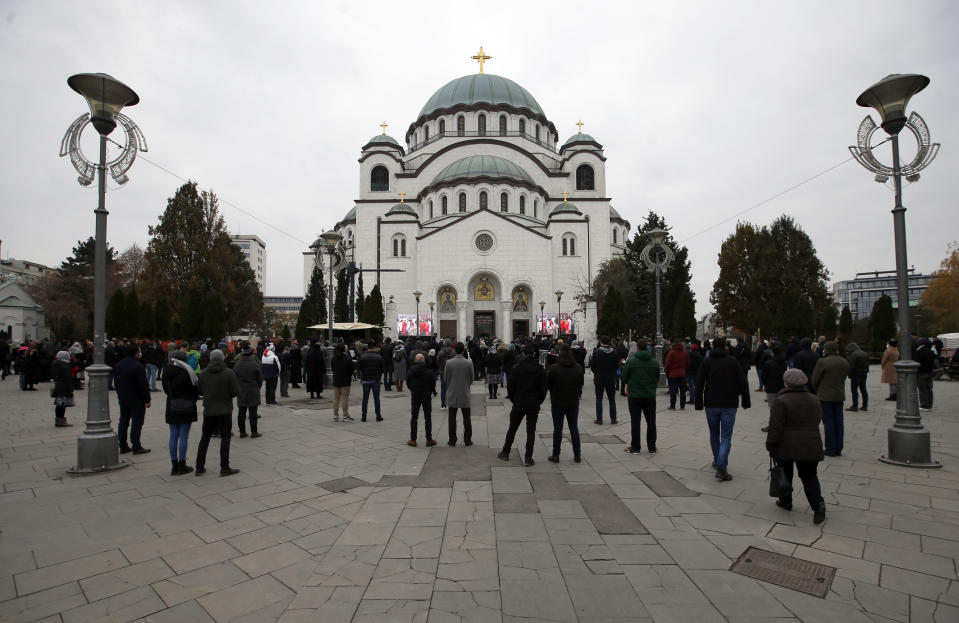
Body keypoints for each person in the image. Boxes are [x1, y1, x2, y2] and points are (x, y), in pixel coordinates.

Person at [766, 368, 827, 524]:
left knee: (786, 472)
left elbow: (776, 426)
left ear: (786, 382)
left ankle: (786, 500)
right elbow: (818, 419)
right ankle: (817, 504)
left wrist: (771, 444)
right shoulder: (814, 399)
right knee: (809, 476)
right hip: (811, 443)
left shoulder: (781, 400)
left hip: (787, 443)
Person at [695, 338, 751, 481]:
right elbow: (743, 381)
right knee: (726, 436)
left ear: (713, 346)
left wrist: (698, 402)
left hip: (711, 402)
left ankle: (718, 460)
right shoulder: (732, 361)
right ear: (725, 347)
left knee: (714, 434)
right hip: (729, 403)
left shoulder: (707, 361)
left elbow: (699, 382)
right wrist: (745, 400)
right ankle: (721, 466)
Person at [499, 344, 547, 465]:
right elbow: (543, 390)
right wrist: (538, 401)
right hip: (533, 403)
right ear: (534, 354)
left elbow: (510, 387)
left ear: (523, 354)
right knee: (531, 431)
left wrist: (514, 399)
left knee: (512, 428)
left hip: (519, 402)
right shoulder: (540, 369)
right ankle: (528, 457)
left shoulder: (516, 368)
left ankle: (505, 452)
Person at [195, 349, 240, 476]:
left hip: (209, 409)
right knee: (225, 438)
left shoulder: (203, 373)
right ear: (222, 358)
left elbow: (200, 391)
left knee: (205, 438)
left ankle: (199, 466)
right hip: (225, 409)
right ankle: (224, 467)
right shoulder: (228, 373)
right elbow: (235, 391)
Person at [546, 343, 584, 463]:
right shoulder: (578, 367)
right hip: (573, 401)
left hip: (557, 401)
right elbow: (580, 384)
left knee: (558, 429)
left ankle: (556, 454)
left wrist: (553, 391)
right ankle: (577, 455)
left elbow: (548, 384)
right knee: (574, 428)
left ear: (560, 353)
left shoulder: (554, 368)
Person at [162, 349, 198, 475]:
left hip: (172, 405)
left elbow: (166, 389)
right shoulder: (187, 372)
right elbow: (194, 390)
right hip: (186, 405)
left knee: (173, 435)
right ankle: (182, 463)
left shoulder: (166, 371)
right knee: (183, 436)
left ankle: (174, 464)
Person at [620, 342, 660, 454]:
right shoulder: (655, 362)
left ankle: (636, 447)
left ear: (637, 348)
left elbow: (624, 377)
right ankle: (652, 447)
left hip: (634, 396)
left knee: (635, 421)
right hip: (650, 395)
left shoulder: (631, 362)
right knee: (651, 421)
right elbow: (657, 378)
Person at [811, 341, 849, 457]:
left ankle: (830, 448)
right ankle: (838, 447)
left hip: (825, 395)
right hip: (839, 395)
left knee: (828, 422)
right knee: (839, 422)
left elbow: (814, 379)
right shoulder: (844, 361)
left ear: (826, 350)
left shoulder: (822, 362)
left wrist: (817, 389)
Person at [114, 343, 152, 455]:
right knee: (137, 421)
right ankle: (136, 445)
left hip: (123, 396)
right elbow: (143, 385)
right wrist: (147, 399)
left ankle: (123, 445)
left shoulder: (119, 364)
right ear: (136, 352)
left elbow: (116, 382)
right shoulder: (138, 366)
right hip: (136, 398)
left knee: (123, 420)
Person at [444, 341, 474, 446]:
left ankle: (452, 440)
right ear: (463, 350)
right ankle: (467, 440)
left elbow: (445, 378)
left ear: (454, 350)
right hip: (464, 392)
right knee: (467, 418)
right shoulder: (468, 363)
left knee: (452, 418)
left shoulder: (449, 363)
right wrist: (465, 385)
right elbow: (471, 379)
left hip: (452, 392)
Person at [233, 343, 263, 438]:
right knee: (253, 412)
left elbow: (234, 377)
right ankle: (254, 432)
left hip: (241, 390)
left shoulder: (237, 364)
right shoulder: (254, 364)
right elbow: (260, 379)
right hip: (253, 390)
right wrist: (257, 387)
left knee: (241, 411)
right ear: (251, 355)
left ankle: (242, 432)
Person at [407, 353, 437, 446]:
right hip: (426, 395)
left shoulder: (411, 370)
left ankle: (413, 439)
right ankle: (429, 439)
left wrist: (412, 389)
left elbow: (408, 382)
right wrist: (432, 391)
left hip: (415, 395)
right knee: (427, 417)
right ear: (424, 361)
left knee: (414, 417)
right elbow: (433, 383)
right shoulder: (429, 371)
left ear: (415, 361)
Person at [589, 336, 619, 424]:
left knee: (599, 399)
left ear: (601, 342)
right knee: (612, 399)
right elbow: (616, 365)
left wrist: (597, 373)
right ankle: (613, 419)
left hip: (599, 378)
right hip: (610, 378)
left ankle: (599, 419)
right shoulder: (614, 352)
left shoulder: (597, 352)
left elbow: (593, 365)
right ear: (609, 342)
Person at [359, 340, 385, 421]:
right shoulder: (379, 357)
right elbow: (382, 369)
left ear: (367, 348)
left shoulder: (362, 357)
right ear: (374, 348)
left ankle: (364, 416)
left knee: (365, 399)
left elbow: (360, 368)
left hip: (366, 380)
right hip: (376, 380)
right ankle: (378, 415)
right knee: (376, 398)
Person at [331, 342, 355, 422]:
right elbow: (351, 369)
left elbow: (333, 368)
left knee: (336, 399)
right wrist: (349, 375)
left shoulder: (333, 358)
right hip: (345, 381)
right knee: (344, 398)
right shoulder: (347, 358)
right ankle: (345, 415)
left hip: (336, 380)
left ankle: (335, 416)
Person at [51, 350, 75, 428]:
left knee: (59, 404)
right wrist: (70, 389)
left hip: (58, 385)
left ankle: (58, 420)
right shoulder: (65, 366)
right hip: (64, 386)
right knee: (62, 405)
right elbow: (67, 378)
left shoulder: (56, 364)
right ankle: (61, 421)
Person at [664, 341, 690, 410]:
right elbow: (688, 363)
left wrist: (668, 370)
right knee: (682, 390)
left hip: (673, 373)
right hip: (682, 373)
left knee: (673, 390)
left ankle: (672, 406)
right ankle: (682, 406)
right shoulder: (685, 353)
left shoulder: (671, 352)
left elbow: (667, 363)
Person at [845, 342, 869, 412]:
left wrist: (849, 374)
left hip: (856, 373)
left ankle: (855, 406)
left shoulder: (853, 354)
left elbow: (851, 366)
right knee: (863, 389)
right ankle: (865, 406)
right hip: (864, 373)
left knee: (854, 390)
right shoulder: (864, 353)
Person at [914, 338, 935, 411]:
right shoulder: (931, 352)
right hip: (930, 372)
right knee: (929, 389)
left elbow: (917, 362)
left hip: (921, 373)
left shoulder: (919, 352)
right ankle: (930, 405)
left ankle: (924, 405)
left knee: (922, 389)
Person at [436, 339, 454, 408]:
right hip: (451, 372)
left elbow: (437, 361)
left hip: (442, 371)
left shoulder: (440, 352)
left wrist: (440, 367)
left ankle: (443, 404)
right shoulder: (453, 352)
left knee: (443, 388)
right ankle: (451, 403)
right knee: (451, 388)